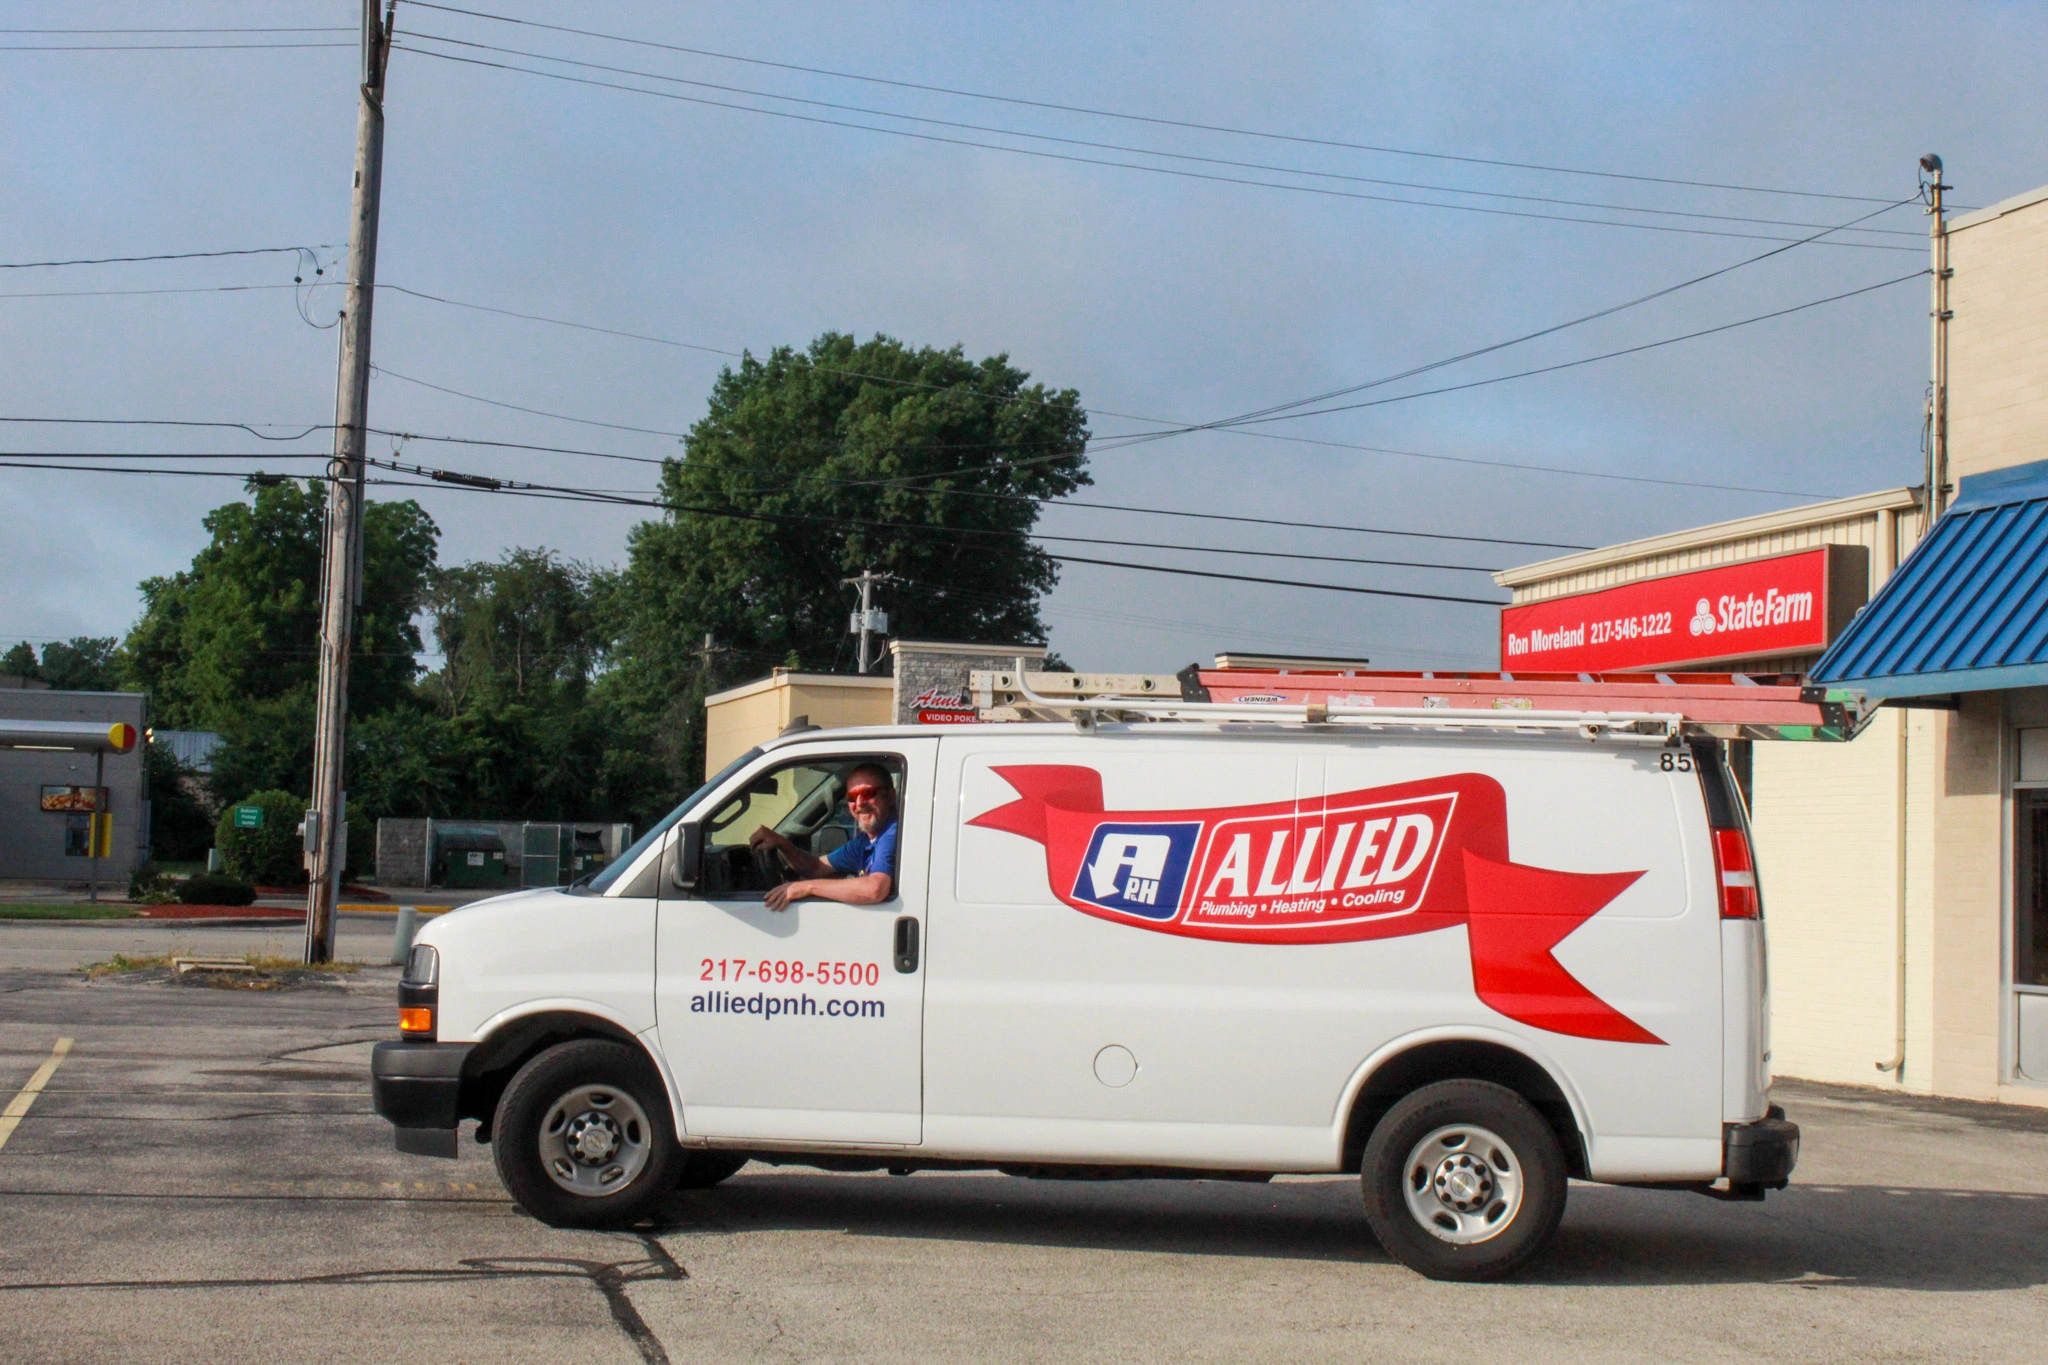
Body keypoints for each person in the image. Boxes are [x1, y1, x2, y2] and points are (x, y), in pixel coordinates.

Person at [749, 763, 897, 911]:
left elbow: (875, 889)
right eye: (852, 797)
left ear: (890, 796)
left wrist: (807, 887)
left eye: (867, 793)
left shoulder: (892, 832)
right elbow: (816, 867)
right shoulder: (864, 842)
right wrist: (781, 843)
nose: (859, 803)